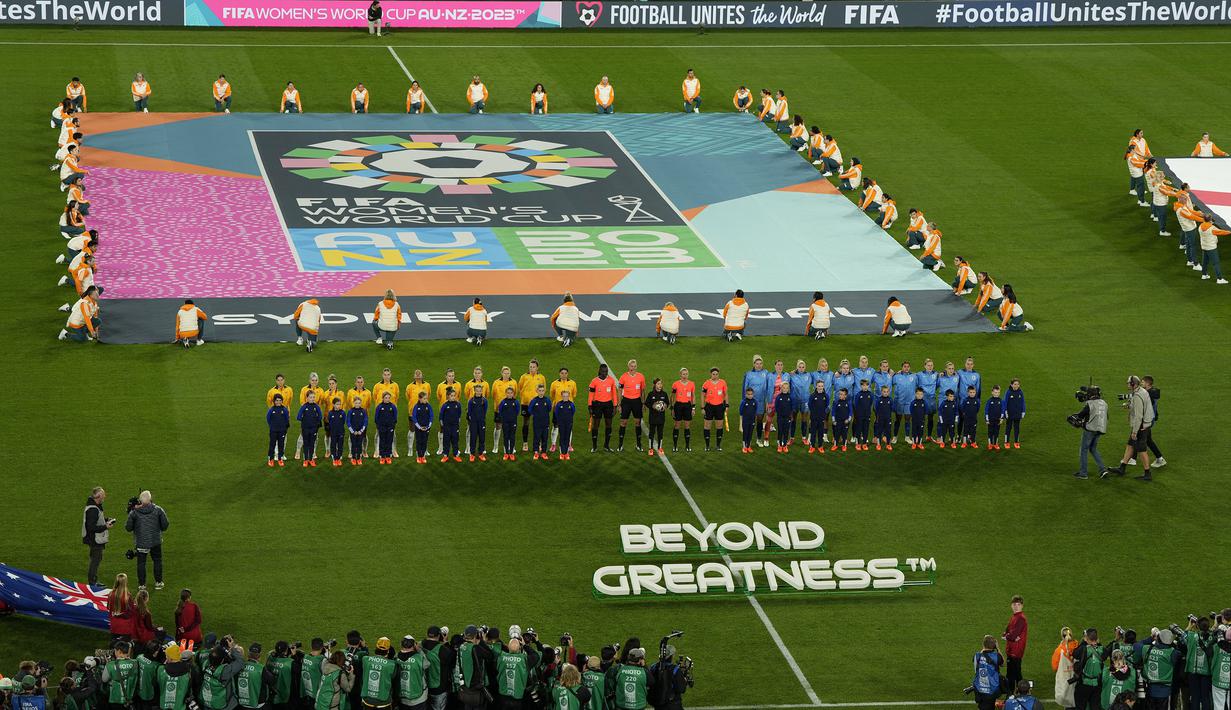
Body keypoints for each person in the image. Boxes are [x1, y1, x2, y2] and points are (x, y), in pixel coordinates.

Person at [1108, 375, 1155, 481]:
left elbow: (1139, 416)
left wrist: (1134, 432)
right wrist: (1129, 406)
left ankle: (1147, 474)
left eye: (1129, 383)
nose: (1127, 384)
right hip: (1145, 423)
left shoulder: (1138, 395)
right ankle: (1122, 468)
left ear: (1133, 384)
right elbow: (1139, 406)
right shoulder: (1141, 391)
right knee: (1130, 445)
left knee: (1142, 450)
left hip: (1141, 426)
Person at [125, 491, 169, 591]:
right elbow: (165, 525)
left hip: (141, 542)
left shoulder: (134, 512)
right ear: (150, 499)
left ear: (140, 501)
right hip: (155, 541)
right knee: (157, 561)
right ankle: (158, 582)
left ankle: (142, 585)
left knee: (141, 563)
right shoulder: (158, 510)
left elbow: (128, 528)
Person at [82, 486, 115, 586]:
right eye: (103, 495)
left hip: (94, 538)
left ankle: (94, 580)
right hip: (94, 539)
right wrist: (105, 526)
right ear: (98, 496)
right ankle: (92, 582)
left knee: (96, 559)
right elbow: (91, 527)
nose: (104, 496)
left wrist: (106, 519)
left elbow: (96, 519)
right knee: (95, 560)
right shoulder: (93, 510)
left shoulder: (95, 506)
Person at [1143, 629, 1182, 710]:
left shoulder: (1147, 649)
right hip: (1165, 692)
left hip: (1150, 690)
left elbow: (1136, 645)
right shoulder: (1173, 653)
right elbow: (1180, 652)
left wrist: (1151, 637)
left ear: (1158, 639)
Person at [358, 638, 397, 710]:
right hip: (383, 701)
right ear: (388, 651)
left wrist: (364, 647)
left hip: (367, 700)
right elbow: (393, 679)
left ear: (376, 648)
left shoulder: (365, 659)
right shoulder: (392, 664)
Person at [617, 360, 646, 452]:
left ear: (636, 367)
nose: (633, 368)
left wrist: (643, 403)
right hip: (626, 401)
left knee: (638, 422)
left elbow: (643, 391)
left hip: (637, 402)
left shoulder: (641, 377)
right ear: (628, 367)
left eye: (634, 366)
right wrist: (619, 404)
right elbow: (619, 390)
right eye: (631, 366)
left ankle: (639, 444)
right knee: (623, 422)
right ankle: (620, 445)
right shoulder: (623, 377)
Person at [1001, 596, 1029, 689]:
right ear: (1011, 605)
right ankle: (1022, 691)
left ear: (1022, 606)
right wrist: (1008, 636)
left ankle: (1011, 693)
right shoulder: (1015, 617)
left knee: (1011, 674)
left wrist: (1008, 636)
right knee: (1016, 673)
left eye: (1018, 604)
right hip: (1013, 649)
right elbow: (1006, 632)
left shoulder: (1020, 618)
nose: (1016, 606)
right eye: (1014, 604)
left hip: (1015, 651)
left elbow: (1011, 635)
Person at [970, 635, 1004, 710]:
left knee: (982, 706)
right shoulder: (996, 656)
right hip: (992, 688)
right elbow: (1002, 663)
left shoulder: (976, 656)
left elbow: (981, 655)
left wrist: (984, 648)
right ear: (994, 646)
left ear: (983, 644)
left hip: (979, 688)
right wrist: (998, 648)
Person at [589, 364, 617, 453]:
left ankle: (606, 446)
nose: (605, 373)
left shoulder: (611, 380)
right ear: (600, 371)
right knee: (596, 425)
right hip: (597, 405)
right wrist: (590, 406)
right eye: (603, 371)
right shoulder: (594, 381)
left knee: (609, 425)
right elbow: (591, 395)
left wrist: (615, 406)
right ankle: (594, 446)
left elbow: (614, 394)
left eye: (606, 371)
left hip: (608, 405)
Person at [103, 641, 140, 709]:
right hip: (130, 697)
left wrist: (108, 664)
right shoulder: (135, 663)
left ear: (119, 651)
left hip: (116, 699)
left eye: (115, 651)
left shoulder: (110, 665)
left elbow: (104, 679)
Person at [701, 367, 729, 452]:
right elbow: (702, 395)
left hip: (719, 407)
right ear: (711, 374)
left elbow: (726, 394)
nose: (715, 376)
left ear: (718, 374)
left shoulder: (723, 382)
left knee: (719, 426)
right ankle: (707, 446)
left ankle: (718, 445)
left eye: (716, 374)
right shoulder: (706, 383)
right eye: (713, 374)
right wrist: (702, 407)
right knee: (707, 426)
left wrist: (727, 405)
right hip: (709, 407)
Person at [1198, 213, 1229, 284]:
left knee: (1205, 262)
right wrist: (1229, 231)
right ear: (1210, 220)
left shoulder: (1200, 226)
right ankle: (1219, 279)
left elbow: (1206, 226)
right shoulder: (1212, 228)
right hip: (1211, 248)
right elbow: (1222, 232)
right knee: (1216, 263)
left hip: (1204, 246)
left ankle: (1204, 274)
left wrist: (1210, 223)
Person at [1051, 627, 1078, 710]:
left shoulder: (1059, 651)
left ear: (1062, 637)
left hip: (1065, 680)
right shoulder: (1078, 647)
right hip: (1077, 680)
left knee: (1067, 701)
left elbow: (1054, 667)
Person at [670, 368, 696, 453]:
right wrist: (672, 408)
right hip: (678, 406)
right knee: (677, 425)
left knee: (687, 426)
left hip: (688, 406)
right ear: (680, 375)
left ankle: (687, 446)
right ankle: (675, 446)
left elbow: (693, 396)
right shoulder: (675, 384)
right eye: (683, 374)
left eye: (686, 374)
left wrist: (693, 408)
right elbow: (672, 396)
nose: (685, 376)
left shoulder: (691, 384)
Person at [297, 391, 323, 468]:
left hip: (314, 429)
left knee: (312, 444)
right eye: (311, 397)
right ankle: (305, 460)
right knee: (305, 444)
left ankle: (311, 459)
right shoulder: (304, 406)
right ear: (307, 398)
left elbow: (320, 416)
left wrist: (315, 422)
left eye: (313, 397)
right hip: (305, 429)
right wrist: (306, 421)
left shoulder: (316, 406)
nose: (312, 399)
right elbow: (298, 417)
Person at [645, 379, 670, 456]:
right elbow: (647, 403)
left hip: (661, 417)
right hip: (652, 417)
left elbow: (667, 403)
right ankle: (650, 448)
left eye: (661, 384)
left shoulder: (664, 394)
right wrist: (653, 406)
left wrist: (665, 406)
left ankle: (660, 448)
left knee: (660, 433)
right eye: (658, 384)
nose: (660, 385)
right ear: (655, 385)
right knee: (652, 433)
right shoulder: (651, 394)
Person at [528, 384, 553, 460]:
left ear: (544, 391)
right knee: (537, 437)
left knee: (545, 438)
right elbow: (530, 410)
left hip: (545, 422)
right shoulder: (534, 400)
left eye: (542, 391)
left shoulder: (547, 400)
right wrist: (536, 415)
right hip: (537, 423)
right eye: (540, 391)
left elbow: (549, 408)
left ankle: (543, 452)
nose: (541, 392)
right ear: (537, 391)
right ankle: (536, 452)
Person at [465, 381, 488, 463]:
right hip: (473, 422)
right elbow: (469, 411)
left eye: (480, 391)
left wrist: (481, 418)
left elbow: (485, 410)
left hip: (481, 422)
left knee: (482, 438)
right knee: (473, 438)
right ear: (474, 391)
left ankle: (481, 454)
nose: (478, 392)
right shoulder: (471, 401)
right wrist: (472, 419)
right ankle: (472, 454)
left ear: (482, 391)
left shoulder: (484, 400)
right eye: (477, 390)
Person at [375, 392, 399, 464]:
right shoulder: (379, 406)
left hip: (390, 427)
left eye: (389, 398)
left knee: (389, 441)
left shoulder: (393, 406)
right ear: (382, 398)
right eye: (386, 398)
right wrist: (379, 426)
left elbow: (395, 417)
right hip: (382, 427)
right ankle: (382, 456)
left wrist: (392, 426)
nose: (387, 399)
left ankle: (388, 456)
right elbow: (376, 417)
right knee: (382, 441)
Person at [410, 391, 434, 465]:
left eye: (426, 398)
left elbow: (431, 415)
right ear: (420, 399)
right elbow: (414, 417)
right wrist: (419, 427)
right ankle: (419, 456)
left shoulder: (428, 406)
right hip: (418, 428)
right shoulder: (416, 406)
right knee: (419, 441)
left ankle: (423, 456)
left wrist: (429, 425)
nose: (426, 400)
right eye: (424, 398)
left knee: (424, 441)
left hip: (426, 427)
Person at [267, 394, 290, 467]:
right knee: (272, 445)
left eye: (280, 400)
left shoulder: (284, 410)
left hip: (282, 431)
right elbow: (268, 419)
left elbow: (287, 419)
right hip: (273, 431)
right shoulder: (271, 410)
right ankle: (271, 459)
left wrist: (284, 428)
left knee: (281, 445)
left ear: (282, 401)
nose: (278, 402)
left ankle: (280, 459)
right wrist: (272, 427)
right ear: (274, 401)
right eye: (277, 400)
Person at [497, 387, 520, 460]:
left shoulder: (516, 402)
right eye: (508, 393)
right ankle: (506, 453)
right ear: (506, 393)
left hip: (513, 422)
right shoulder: (503, 402)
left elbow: (517, 411)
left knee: (512, 437)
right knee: (506, 437)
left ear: (513, 394)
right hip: (505, 422)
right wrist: (504, 418)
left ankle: (511, 453)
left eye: (511, 393)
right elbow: (500, 411)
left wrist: (512, 417)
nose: (509, 394)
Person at [553, 390, 577, 461]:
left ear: (569, 396)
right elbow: (556, 413)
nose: (565, 397)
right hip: (561, 424)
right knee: (562, 437)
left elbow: (573, 411)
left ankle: (566, 453)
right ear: (562, 396)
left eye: (567, 396)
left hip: (569, 423)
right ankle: (561, 453)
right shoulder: (559, 404)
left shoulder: (571, 404)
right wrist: (560, 420)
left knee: (567, 437)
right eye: (564, 396)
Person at [850, 380, 872, 451]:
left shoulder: (870, 394)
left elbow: (870, 403)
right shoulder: (858, 394)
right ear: (861, 386)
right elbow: (856, 405)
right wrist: (857, 414)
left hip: (867, 415)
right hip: (860, 415)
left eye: (866, 385)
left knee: (866, 429)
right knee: (859, 429)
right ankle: (858, 443)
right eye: (863, 385)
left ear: (868, 386)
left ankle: (864, 443)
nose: (865, 387)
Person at [346, 395, 368, 466]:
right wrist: (353, 431)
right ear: (353, 403)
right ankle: (353, 458)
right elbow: (348, 422)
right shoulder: (350, 411)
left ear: (361, 403)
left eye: (359, 403)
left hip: (360, 431)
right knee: (354, 444)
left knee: (359, 444)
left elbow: (365, 421)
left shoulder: (363, 411)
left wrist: (361, 431)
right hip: (353, 432)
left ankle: (358, 458)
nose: (357, 404)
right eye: (356, 403)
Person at [326, 398, 347, 467]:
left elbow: (343, 421)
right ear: (333, 405)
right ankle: (334, 458)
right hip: (333, 432)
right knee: (333, 445)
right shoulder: (330, 413)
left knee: (340, 445)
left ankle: (339, 458)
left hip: (341, 432)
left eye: (340, 404)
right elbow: (329, 421)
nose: (338, 406)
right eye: (337, 404)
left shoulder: (342, 413)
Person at [874, 385, 893, 450]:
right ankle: (878, 444)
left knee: (888, 431)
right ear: (881, 392)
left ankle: (888, 444)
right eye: (884, 392)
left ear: (889, 392)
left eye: (887, 392)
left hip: (888, 418)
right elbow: (876, 409)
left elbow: (891, 408)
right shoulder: (879, 400)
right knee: (879, 431)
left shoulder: (890, 400)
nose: (886, 393)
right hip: (880, 419)